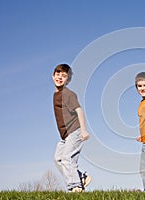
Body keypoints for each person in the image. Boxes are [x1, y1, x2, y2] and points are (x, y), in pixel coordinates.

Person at [52, 64, 91, 192]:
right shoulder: (56, 95)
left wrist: (84, 130)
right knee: (58, 159)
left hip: (75, 131)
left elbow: (79, 110)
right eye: (58, 74)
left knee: (67, 158)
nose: (60, 78)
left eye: (64, 76)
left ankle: (76, 187)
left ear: (67, 80)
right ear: (53, 76)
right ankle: (81, 177)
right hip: (65, 135)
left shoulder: (68, 94)